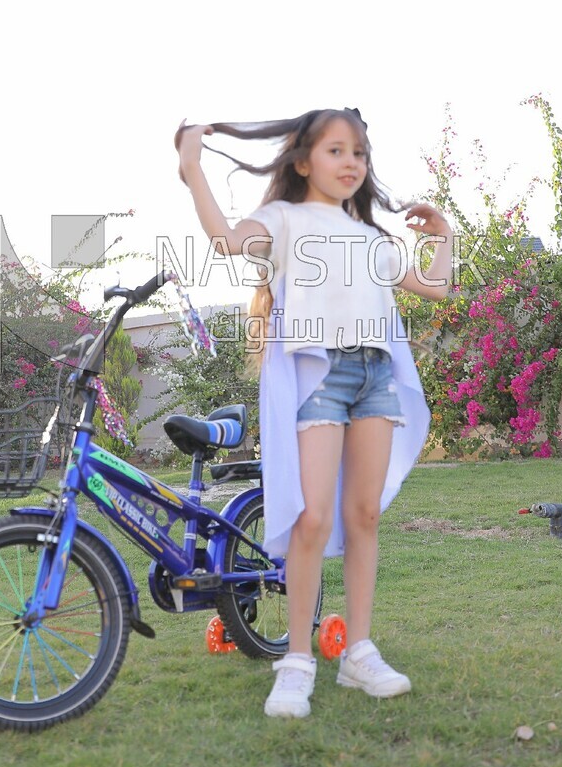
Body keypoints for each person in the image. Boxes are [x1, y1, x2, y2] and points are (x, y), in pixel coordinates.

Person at [175, 108, 453, 718]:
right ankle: (296, 661)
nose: (351, 162)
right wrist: (193, 169)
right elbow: (225, 241)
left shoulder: (373, 237)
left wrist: (444, 236)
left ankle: (358, 652)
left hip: (375, 377)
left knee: (363, 515)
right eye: (337, 151)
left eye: (359, 152)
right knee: (310, 517)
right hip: (320, 375)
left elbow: (436, 288)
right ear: (303, 161)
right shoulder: (285, 218)